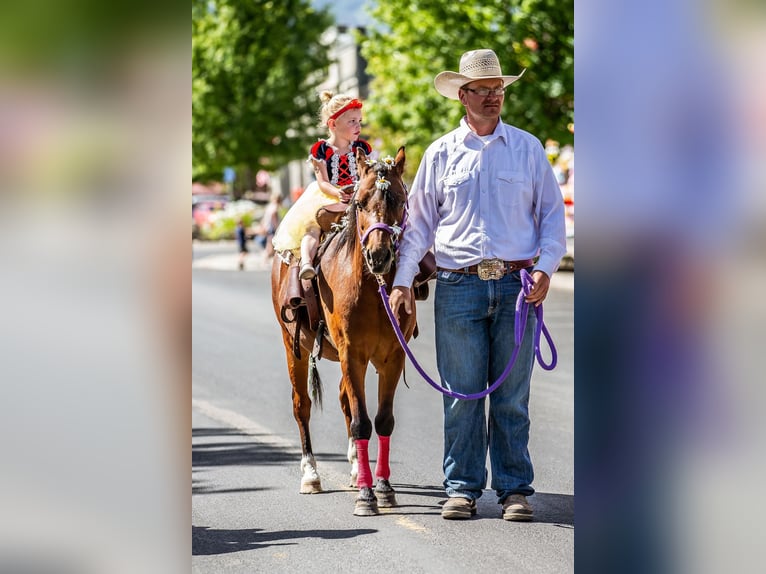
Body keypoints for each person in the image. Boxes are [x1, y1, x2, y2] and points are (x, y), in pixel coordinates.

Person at [388, 49, 567, 521]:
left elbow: (551, 216)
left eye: (498, 89)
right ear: (462, 96)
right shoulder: (441, 153)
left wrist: (547, 266)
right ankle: (462, 488)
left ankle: (513, 490)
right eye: (483, 90)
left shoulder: (528, 148)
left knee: (512, 397)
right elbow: (419, 227)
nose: (493, 97)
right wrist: (403, 281)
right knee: (461, 394)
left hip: (516, 286)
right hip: (457, 285)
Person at [272, 91, 372, 279]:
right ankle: (307, 264)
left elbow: (367, 175)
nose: (358, 125)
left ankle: (410, 265)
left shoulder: (362, 148)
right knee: (313, 227)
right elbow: (323, 182)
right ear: (333, 124)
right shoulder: (322, 150)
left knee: (381, 222)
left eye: (359, 121)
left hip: (358, 195)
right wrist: (338, 192)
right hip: (329, 195)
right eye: (352, 121)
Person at [253, 191, 282, 263]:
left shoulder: (269, 206)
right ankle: (265, 259)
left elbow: (264, 218)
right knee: (270, 246)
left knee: (270, 245)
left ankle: (265, 259)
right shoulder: (275, 208)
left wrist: (262, 226)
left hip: (267, 227)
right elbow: (274, 218)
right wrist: (277, 228)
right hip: (272, 228)